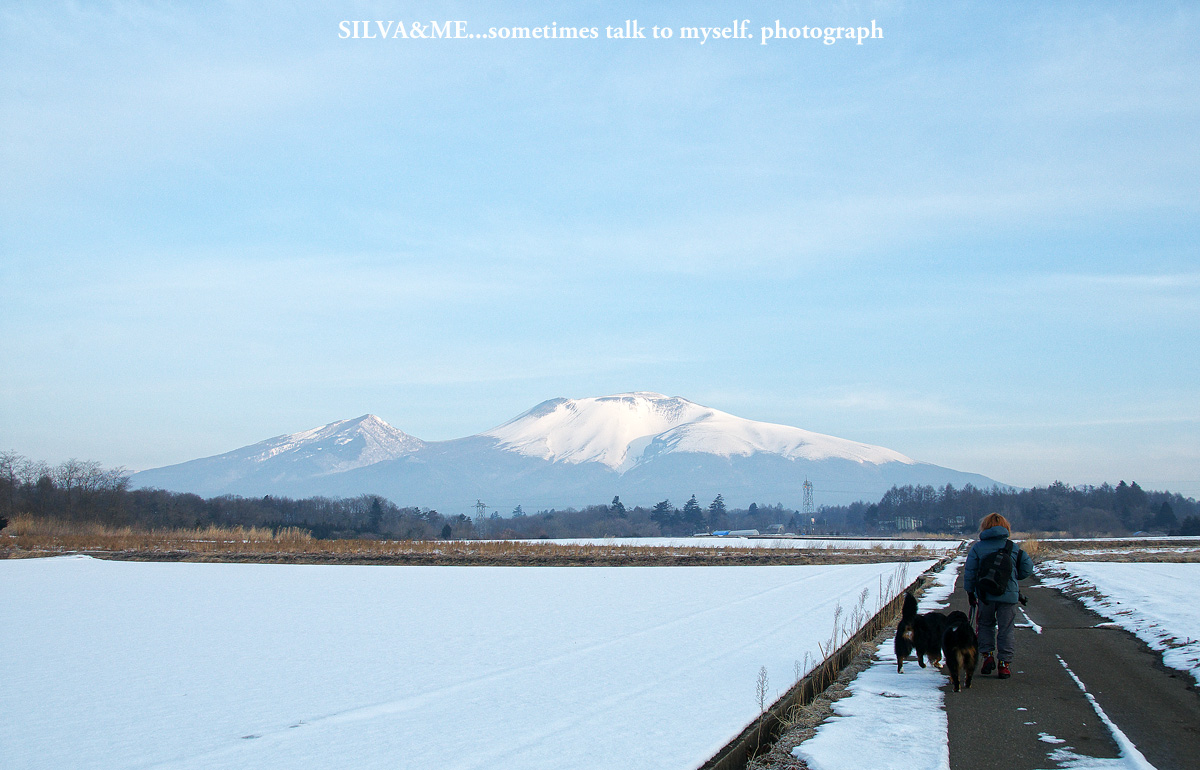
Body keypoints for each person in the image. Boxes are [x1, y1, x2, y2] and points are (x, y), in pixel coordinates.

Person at [963, 513, 1034, 679]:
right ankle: (1004, 665)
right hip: (1008, 596)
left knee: (985, 625)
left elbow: (970, 572)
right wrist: (1013, 579)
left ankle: (987, 656)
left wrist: (970, 592)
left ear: (985, 527)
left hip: (985, 594)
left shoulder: (978, 548)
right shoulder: (1013, 547)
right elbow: (1027, 568)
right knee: (1006, 629)